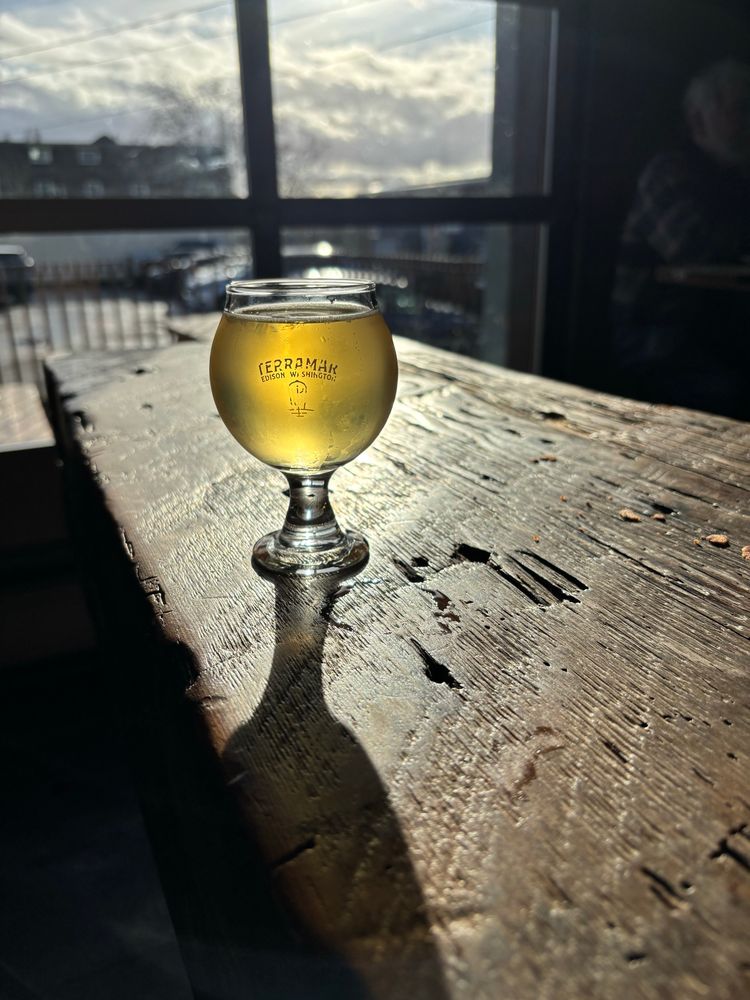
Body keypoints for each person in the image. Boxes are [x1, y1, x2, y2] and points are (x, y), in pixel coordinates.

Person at [612, 58, 750, 418]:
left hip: (712, 335)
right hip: (658, 339)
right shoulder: (668, 172)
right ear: (698, 119)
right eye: (739, 109)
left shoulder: (733, 177)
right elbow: (694, 250)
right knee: (734, 390)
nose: (747, 122)